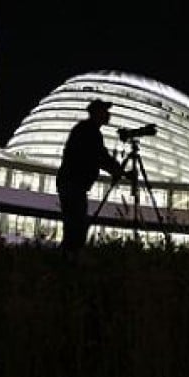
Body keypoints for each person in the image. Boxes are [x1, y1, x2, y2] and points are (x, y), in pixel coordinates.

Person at [56, 99, 134, 259]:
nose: (109, 115)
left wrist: (119, 171)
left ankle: (67, 258)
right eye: (105, 111)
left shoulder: (88, 130)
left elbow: (100, 156)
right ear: (97, 113)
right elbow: (99, 156)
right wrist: (119, 171)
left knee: (74, 224)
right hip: (73, 184)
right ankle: (68, 260)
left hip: (71, 184)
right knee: (76, 225)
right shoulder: (89, 131)